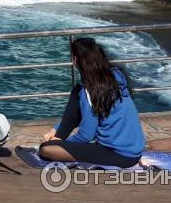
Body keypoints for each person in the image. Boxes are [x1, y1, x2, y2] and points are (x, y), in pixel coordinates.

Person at [40, 37, 145, 168]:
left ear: (76, 60)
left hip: (118, 154)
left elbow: (86, 135)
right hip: (134, 152)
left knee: (46, 149)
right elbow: (77, 114)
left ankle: (59, 139)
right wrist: (55, 130)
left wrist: (65, 144)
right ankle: (58, 135)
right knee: (77, 92)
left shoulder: (90, 91)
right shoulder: (116, 75)